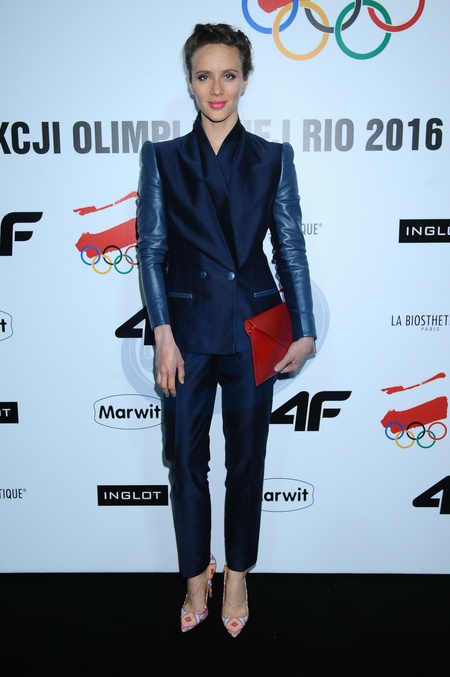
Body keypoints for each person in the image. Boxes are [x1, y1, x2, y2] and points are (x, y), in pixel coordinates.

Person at [137, 22, 316, 637]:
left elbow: (289, 247)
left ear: (245, 80)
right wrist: (162, 333)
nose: (217, 89)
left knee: (247, 461)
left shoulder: (272, 158)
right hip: (187, 335)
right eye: (204, 76)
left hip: (254, 332)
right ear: (190, 82)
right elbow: (151, 250)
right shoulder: (162, 158)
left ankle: (237, 575)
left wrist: (304, 327)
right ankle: (196, 575)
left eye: (229, 75)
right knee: (185, 462)